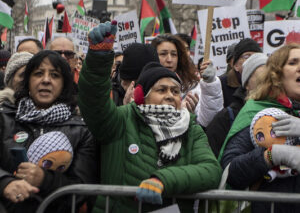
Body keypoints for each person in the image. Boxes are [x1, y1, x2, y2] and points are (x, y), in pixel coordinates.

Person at [78, 21, 222, 212]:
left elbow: (210, 170)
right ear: (141, 97)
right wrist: (98, 57)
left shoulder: (191, 128)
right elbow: (93, 102)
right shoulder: (121, 120)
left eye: (175, 91)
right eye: (161, 90)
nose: (170, 95)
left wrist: (163, 180)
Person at [0, 50, 98, 213]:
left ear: (64, 84)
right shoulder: (4, 119)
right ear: (28, 81)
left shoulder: (82, 130)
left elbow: (83, 189)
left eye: (54, 75)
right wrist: (5, 183)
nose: (46, 80)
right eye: (38, 73)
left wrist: (44, 179)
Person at [220, 43, 300, 213]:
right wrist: (272, 155)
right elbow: (231, 171)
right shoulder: (259, 112)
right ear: (276, 74)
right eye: (293, 62)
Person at [152, 34, 223, 129]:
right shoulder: (142, 86)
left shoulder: (191, 85)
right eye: (163, 54)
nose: (169, 60)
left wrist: (210, 83)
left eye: (174, 54)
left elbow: (208, 120)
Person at [206, 53, 268, 158]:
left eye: (271, 79)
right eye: (261, 79)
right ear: (247, 84)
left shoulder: (286, 110)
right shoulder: (226, 118)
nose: (267, 85)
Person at [219, 38, 262, 108]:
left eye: (256, 56)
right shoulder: (221, 84)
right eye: (247, 56)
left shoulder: (271, 83)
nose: (253, 60)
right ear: (235, 65)